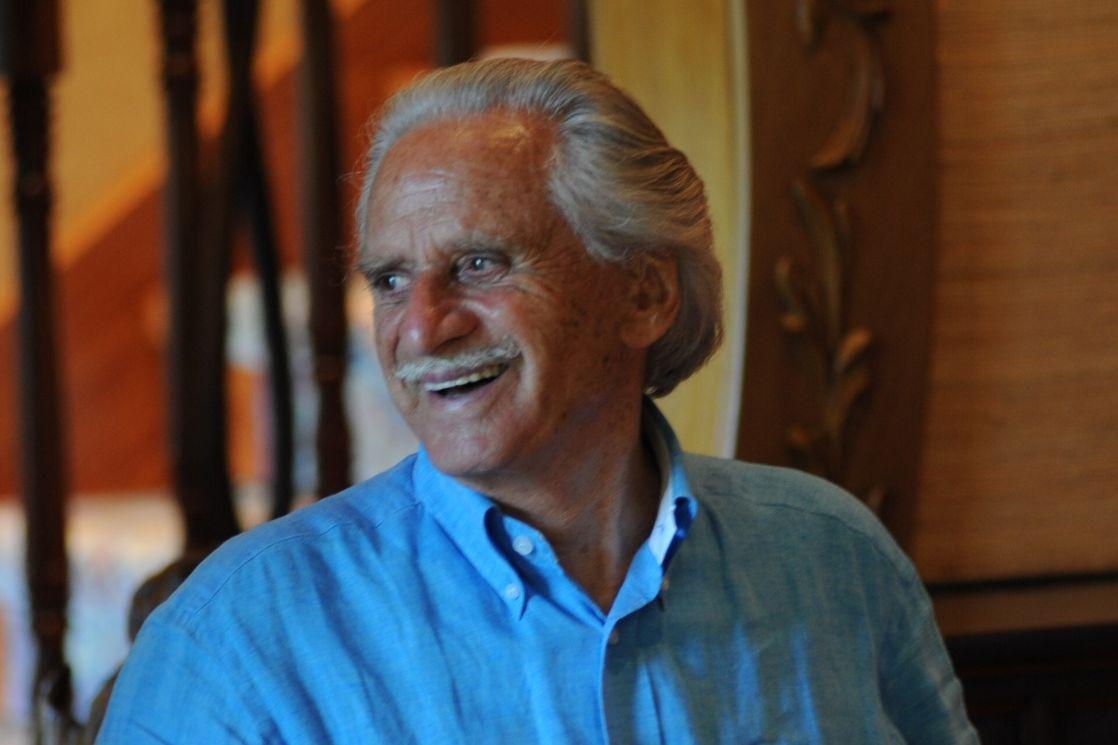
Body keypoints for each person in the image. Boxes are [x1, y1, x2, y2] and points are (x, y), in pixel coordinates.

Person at [98, 58, 977, 743]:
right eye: (391, 279)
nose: (422, 328)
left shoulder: (832, 558)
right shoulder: (239, 633)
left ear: (644, 293)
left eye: (480, 264)